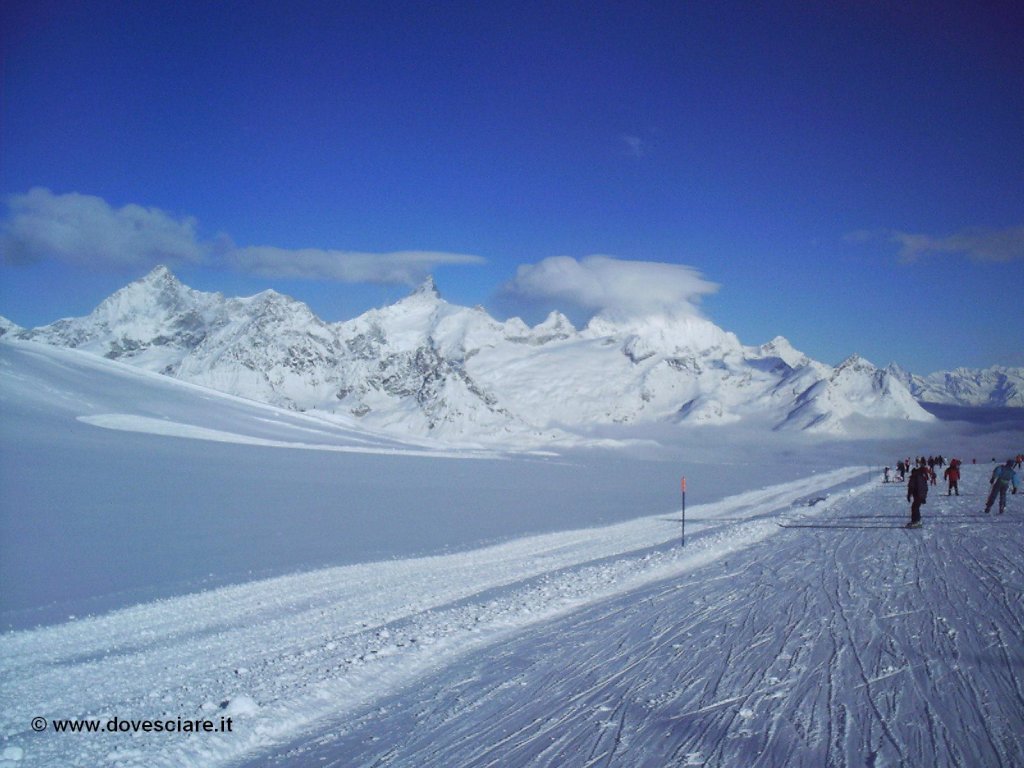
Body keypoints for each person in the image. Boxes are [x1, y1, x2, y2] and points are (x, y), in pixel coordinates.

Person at [906, 458, 929, 528]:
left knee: (915, 507)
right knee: (915, 507)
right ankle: (915, 521)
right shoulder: (921, 476)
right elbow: (925, 487)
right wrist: (924, 496)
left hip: (918, 495)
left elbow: (911, 486)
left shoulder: (914, 477)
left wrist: (909, 495)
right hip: (921, 495)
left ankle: (917, 521)